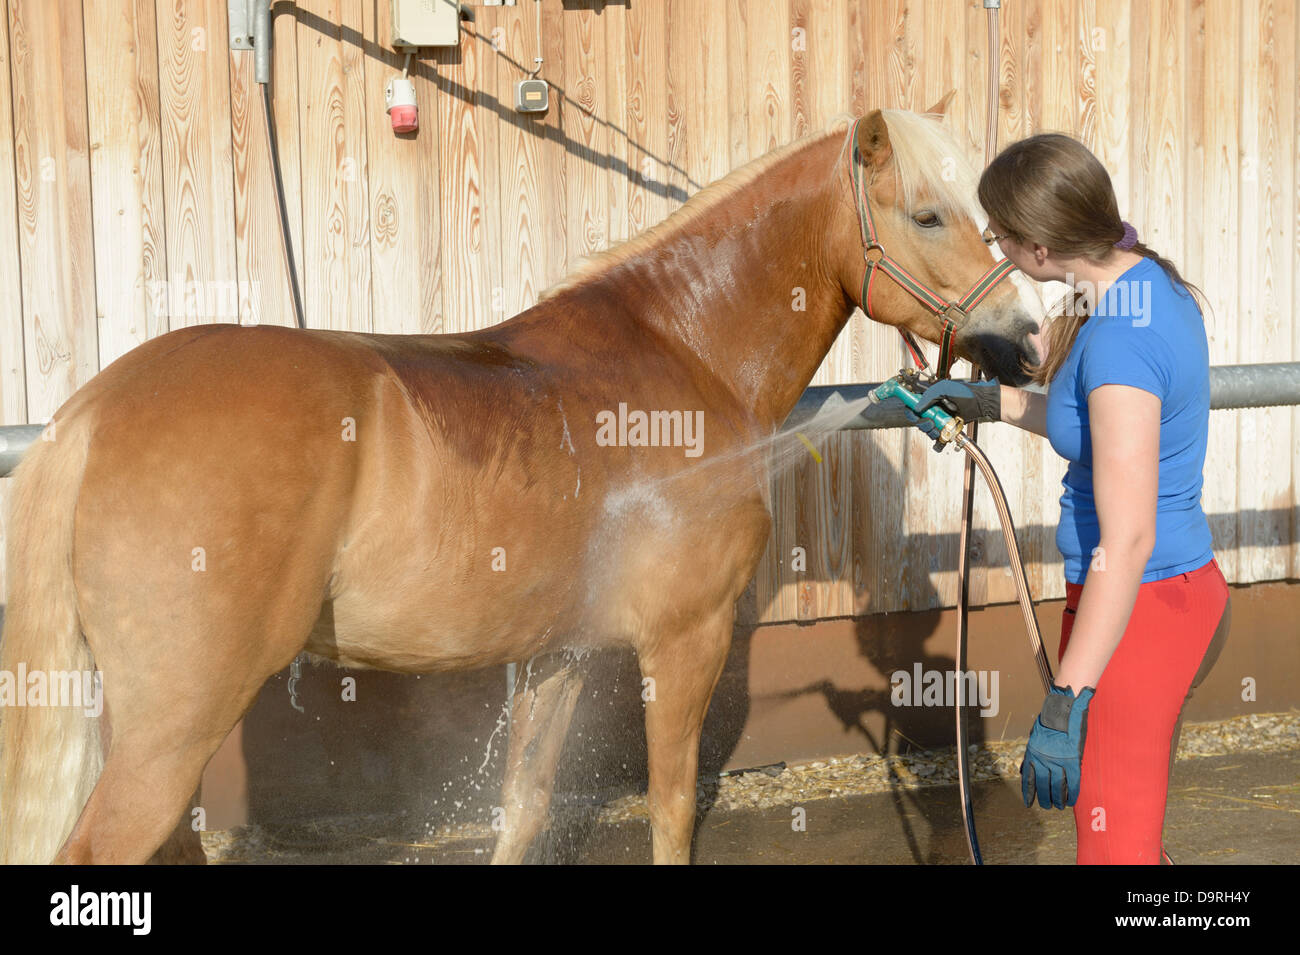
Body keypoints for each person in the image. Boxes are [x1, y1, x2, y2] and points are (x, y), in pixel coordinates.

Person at [905, 133, 1230, 865]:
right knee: (1133, 841)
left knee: (1116, 856)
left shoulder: (1118, 344)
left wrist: (1067, 699)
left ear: (1042, 251)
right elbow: (1091, 421)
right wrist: (989, 401)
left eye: (1000, 238)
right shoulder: (1142, 282)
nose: (996, 251)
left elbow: (1130, 538)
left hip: (1139, 607)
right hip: (1170, 592)